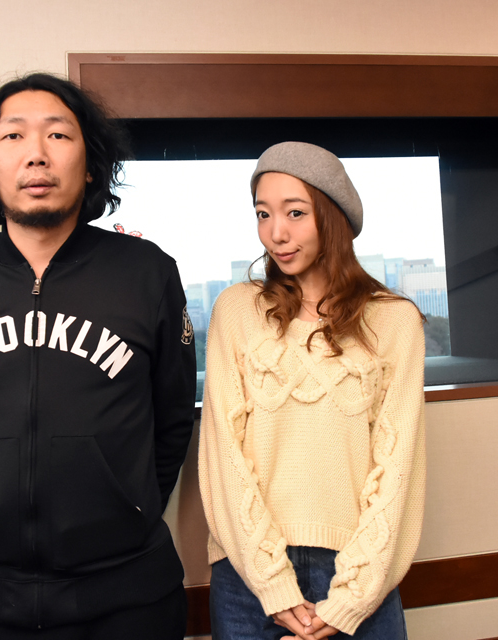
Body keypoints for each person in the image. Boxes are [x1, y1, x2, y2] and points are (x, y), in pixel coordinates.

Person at [0, 73, 196, 640]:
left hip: (129, 594)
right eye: (13, 136)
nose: (36, 154)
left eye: (58, 135)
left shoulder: (147, 273)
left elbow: (172, 417)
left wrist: (130, 507)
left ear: (89, 164)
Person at [198, 142, 426, 640]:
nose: (275, 232)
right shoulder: (236, 311)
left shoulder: (394, 320)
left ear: (333, 217)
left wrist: (352, 597)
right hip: (247, 575)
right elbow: (223, 457)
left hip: (360, 569)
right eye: (263, 214)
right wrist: (271, 582)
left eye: (295, 213)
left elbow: (399, 469)